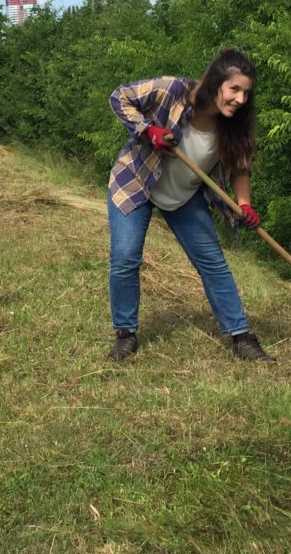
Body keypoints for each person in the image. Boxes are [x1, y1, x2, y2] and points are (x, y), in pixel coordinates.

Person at [106, 48, 275, 363]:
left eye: (246, 93)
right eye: (234, 89)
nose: (240, 99)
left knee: (213, 263)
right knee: (125, 258)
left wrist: (244, 203)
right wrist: (148, 130)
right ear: (216, 83)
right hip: (136, 183)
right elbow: (120, 97)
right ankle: (125, 335)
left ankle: (241, 337)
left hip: (184, 196)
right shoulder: (173, 90)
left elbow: (240, 168)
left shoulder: (233, 126)